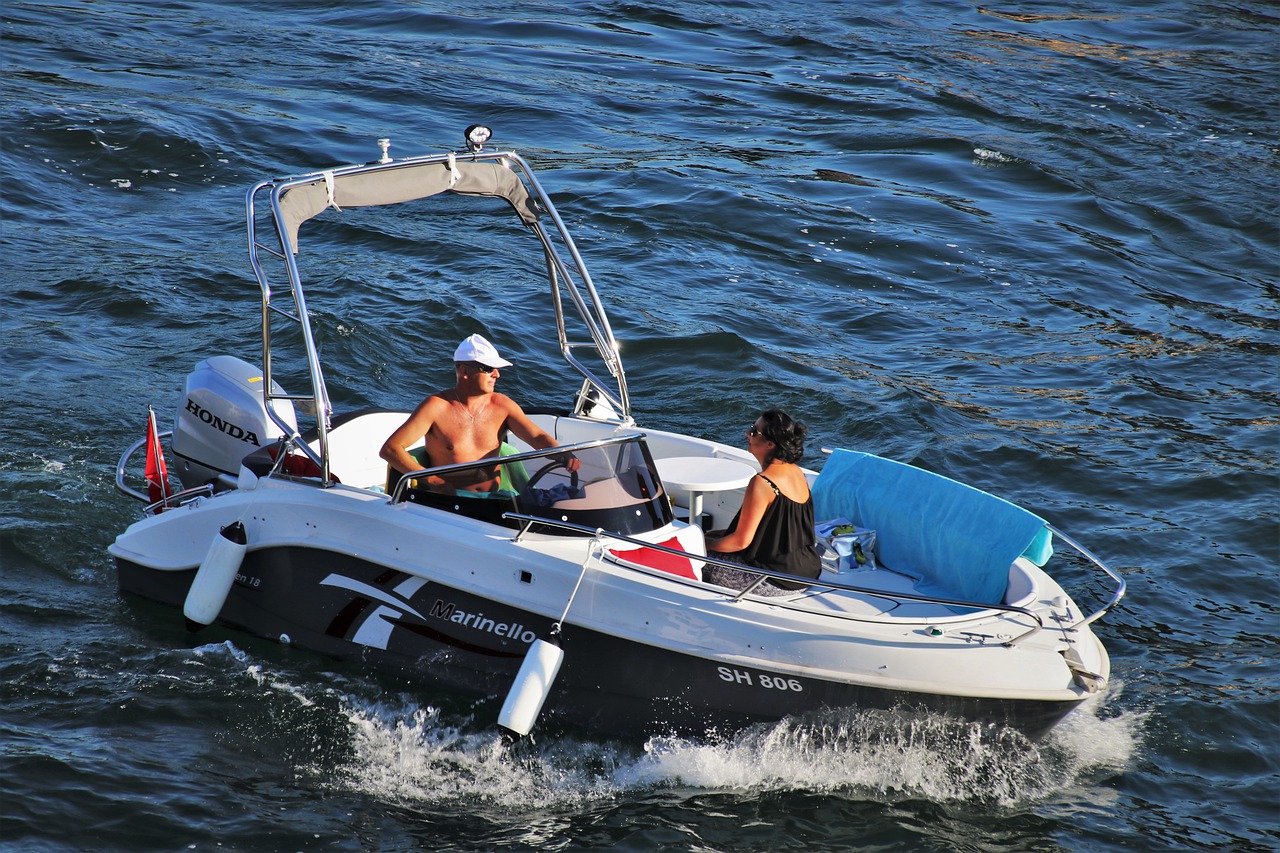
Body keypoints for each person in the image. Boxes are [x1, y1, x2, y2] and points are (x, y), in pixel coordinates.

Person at [380, 334, 577, 494]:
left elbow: (537, 436)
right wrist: (431, 480)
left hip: (499, 501)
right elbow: (390, 449)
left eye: (497, 369)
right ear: (464, 370)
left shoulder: (503, 405)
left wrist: (562, 453)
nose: (496, 375)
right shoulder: (436, 407)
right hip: (452, 503)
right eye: (488, 369)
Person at [703, 409, 821, 597]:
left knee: (695, 558)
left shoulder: (763, 482)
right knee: (715, 537)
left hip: (776, 580)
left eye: (754, 431)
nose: (747, 434)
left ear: (769, 444)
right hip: (808, 572)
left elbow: (739, 542)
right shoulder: (797, 472)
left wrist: (702, 543)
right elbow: (775, 527)